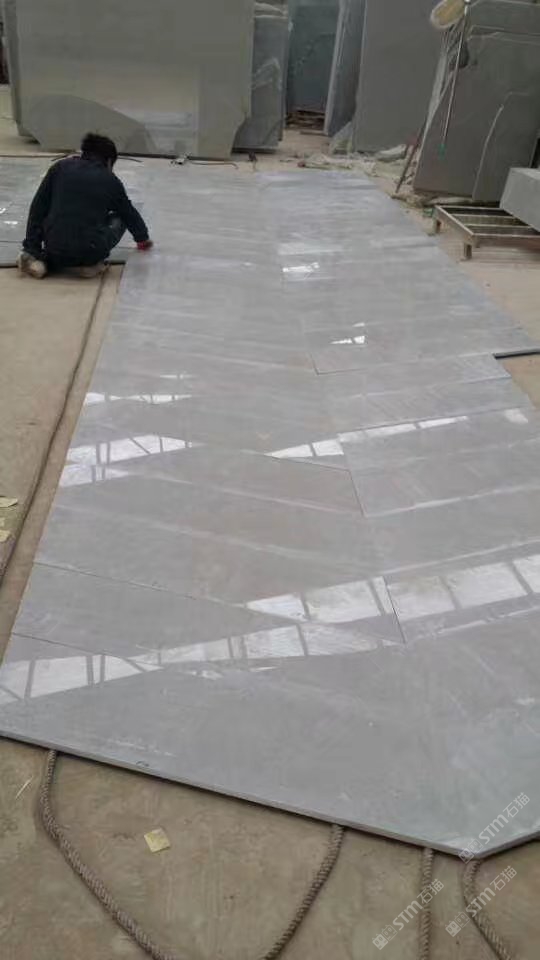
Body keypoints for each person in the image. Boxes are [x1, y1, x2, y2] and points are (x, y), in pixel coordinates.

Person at [18, 133, 153, 279]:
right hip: (91, 251)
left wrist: (32, 248)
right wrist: (143, 239)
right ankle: (89, 265)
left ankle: (40, 261)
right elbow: (129, 214)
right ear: (109, 161)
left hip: (54, 248)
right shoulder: (110, 180)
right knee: (120, 216)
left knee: (55, 216)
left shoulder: (59, 168)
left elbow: (38, 209)